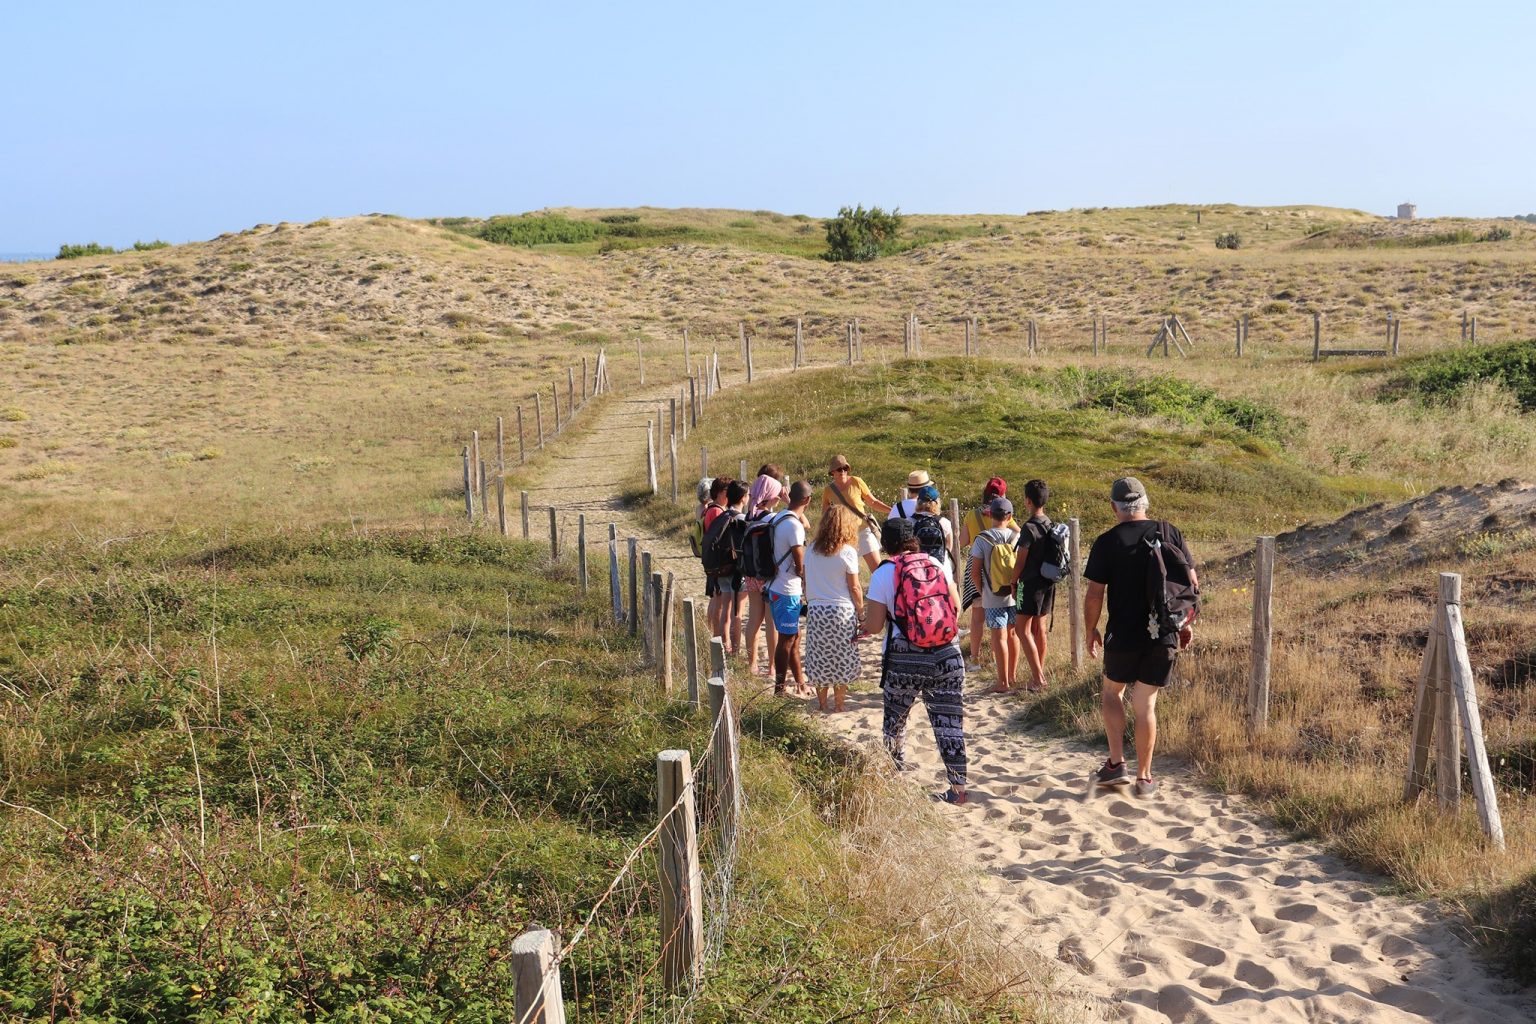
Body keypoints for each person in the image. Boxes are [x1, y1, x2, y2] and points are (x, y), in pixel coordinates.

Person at [1084, 477, 1199, 795]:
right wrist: (1184, 623)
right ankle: (1144, 777)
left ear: (1113, 507)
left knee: (1111, 692)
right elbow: (1187, 583)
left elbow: (1094, 594)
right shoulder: (1168, 531)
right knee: (1145, 703)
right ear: (1145, 502)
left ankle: (1116, 763)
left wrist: (1090, 629)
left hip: (1122, 633)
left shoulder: (1107, 541)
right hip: (1163, 633)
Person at [864, 517, 968, 805]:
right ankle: (958, 791)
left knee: (895, 721)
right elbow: (956, 608)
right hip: (947, 653)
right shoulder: (937, 565)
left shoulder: (885, 573)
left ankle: (893, 783)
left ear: (886, 545)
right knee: (949, 722)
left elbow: (873, 626)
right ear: (915, 540)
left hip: (904, 656)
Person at [804, 504, 864, 712]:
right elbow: (854, 586)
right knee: (842, 658)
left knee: (820, 658)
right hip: (841, 610)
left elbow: (805, 581)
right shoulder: (847, 552)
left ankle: (822, 704)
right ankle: (839, 705)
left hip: (817, 610)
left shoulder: (811, 550)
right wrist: (861, 610)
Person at [1007, 479, 1057, 692]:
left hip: (1030, 583)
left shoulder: (1029, 528)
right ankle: (1040, 673)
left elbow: (1021, 560)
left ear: (1027, 501)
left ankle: (1038, 678)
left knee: (1021, 629)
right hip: (1048, 582)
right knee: (1040, 629)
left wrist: (1013, 580)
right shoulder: (1050, 524)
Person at [970, 496, 1021, 693]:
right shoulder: (1016, 537)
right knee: (1013, 633)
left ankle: (1002, 682)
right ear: (1010, 516)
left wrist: (982, 591)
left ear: (990, 514)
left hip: (992, 594)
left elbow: (975, 571)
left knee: (998, 636)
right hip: (1015, 593)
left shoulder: (983, 539)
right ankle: (1012, 677)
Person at [959, 477, 1009, 671]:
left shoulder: (972, 515)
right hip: (999, 569)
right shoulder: (1004, 514)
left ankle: (975, 659)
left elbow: (962, 541)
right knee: (999, 618)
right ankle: (998, 658)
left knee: (977, 617)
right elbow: (1017, 536)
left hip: (976, 566)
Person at [767, 480, 812, 697]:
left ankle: (800, 682)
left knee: (794, 636)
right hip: (787, 589)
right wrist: (808, 581)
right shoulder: (794, 525)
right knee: (786, 639)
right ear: (807, 500)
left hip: (777, 585)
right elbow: (799, 560)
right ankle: (779, 689)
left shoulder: (779, 517)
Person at [743, 468, 785, 678]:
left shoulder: (748, 516)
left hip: (751, 574)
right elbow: (804, 524)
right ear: (772, 497)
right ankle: (771, 667)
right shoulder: (775, 518)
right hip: (770, 576)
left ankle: (751, 664)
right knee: (771, 623)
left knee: (753, 620)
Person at [822, 454, 892, 572]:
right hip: (843, 536)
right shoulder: (828, 491)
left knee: (878, 569)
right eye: (839, 469)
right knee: (847, 572)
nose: (843, 471)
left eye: (845, 468)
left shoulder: (856, 481)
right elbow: (825, 513)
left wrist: (891, 510)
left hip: (863, 530)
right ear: (832, 472)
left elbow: (873, 502)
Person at [704, 479, 749, 653]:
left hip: (721, 568)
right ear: (743, 498)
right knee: (737, 613)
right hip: (737, 571)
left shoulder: (722, 515)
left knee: (725, 610)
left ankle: (725, 646)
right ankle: (735, 651)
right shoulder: (741, 519)